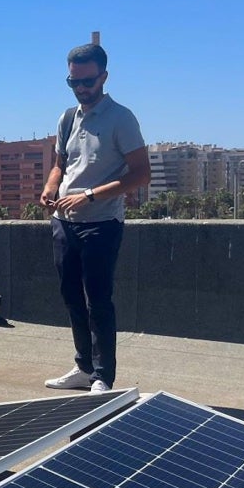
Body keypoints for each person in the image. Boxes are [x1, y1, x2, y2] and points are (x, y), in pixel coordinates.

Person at [40, 43, 150, 394]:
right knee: (71, 297)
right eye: (74, 82)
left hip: (102, 223)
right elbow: (61, 163)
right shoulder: (67, 118)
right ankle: (83, 367)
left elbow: (141, 174)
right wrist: (51, 187)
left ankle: (103, 376)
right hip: (65, 223)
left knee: (98, 301)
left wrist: (89, 195)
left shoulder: (122, 118)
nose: (81, 89)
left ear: (103, 76)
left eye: (87, 81)